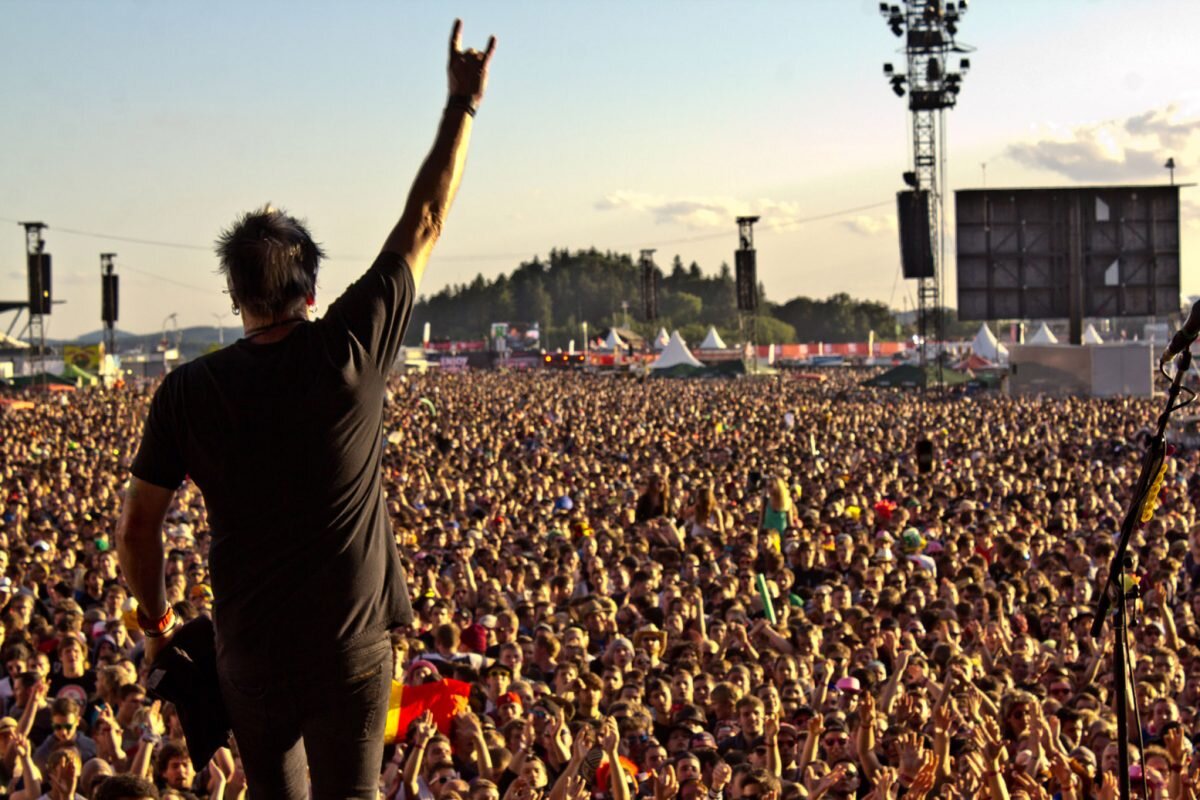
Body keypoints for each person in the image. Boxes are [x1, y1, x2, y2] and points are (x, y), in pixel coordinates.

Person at [114, 19, 496, 800]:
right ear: (312, 289)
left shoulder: (188, 390)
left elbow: (137, 527)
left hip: (249, 650)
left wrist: (155, 629)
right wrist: (461, 106)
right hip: (350, 644)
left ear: (234, 296)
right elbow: (424, 220)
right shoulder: (347, 349)